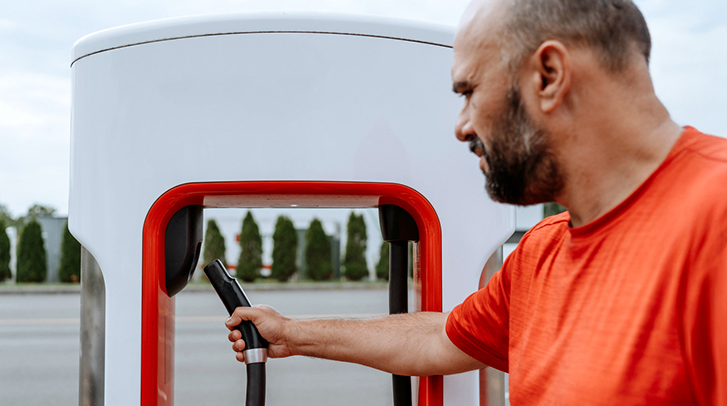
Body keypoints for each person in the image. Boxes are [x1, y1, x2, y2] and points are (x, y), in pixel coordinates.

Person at [226, 0, 727, 404]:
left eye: (469, 90)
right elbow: (440, 339)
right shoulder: (540, 254)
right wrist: (291, 333)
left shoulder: (714, 220)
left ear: (549, 75)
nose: (462, 125)